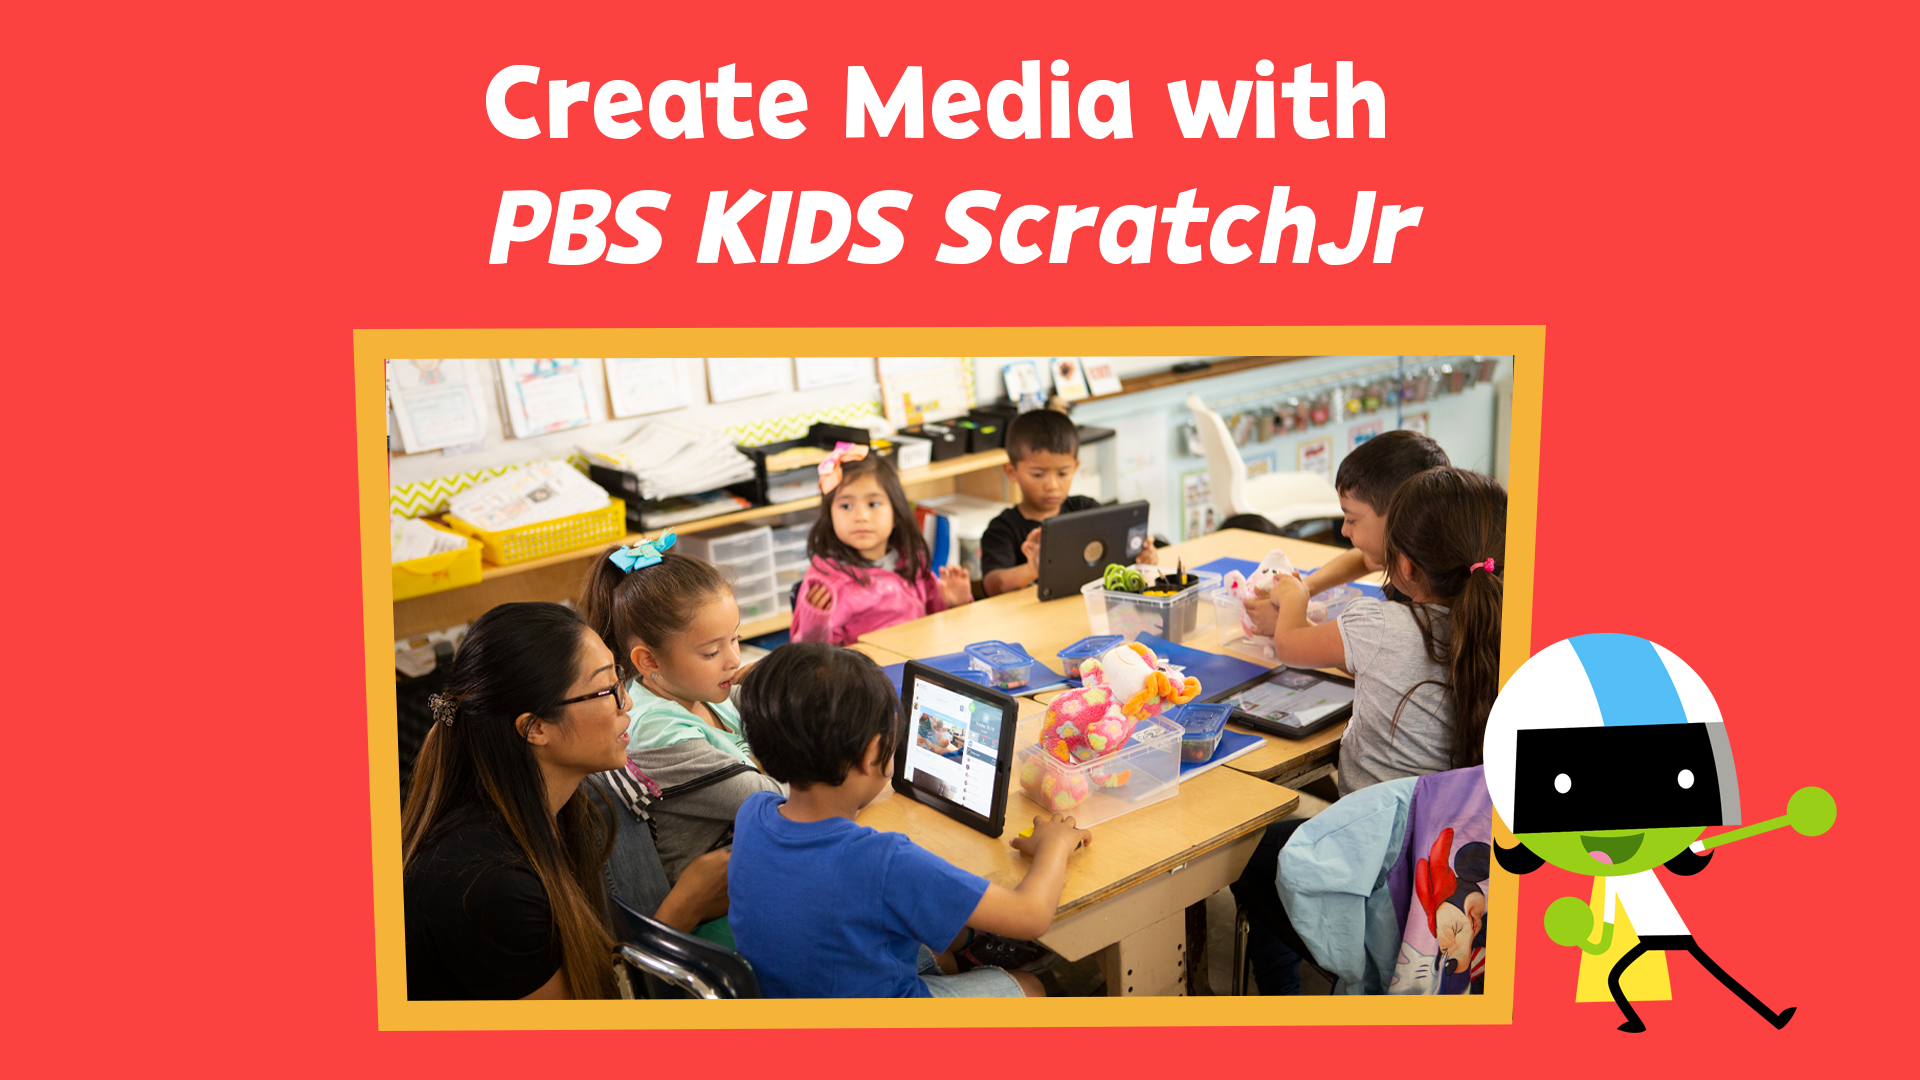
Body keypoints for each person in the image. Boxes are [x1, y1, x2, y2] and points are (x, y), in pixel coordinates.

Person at [1233, 466, 1505, 993]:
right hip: (1471, 860)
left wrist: (1293, 598)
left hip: (1381, 869)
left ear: (1402, 566)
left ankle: (1283, 990)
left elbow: (1289, 645)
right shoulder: (1511, 623)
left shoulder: (1378, 624)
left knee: (1247, 851)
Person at [402, 602, 729, 1000]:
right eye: (607, 690)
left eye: (620, 681)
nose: (626, 704)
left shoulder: (563, 808)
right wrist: (683, 910)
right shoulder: (486, 885)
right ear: (535, 728)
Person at [727, 643, 1090, 997]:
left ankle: (967, 949)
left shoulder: (753, 813)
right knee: (1031, 986)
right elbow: (1030, 916)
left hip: (791, 998)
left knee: (935, 946)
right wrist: (1054, 845)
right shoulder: (882, 860)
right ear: (874, 753)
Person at [579, 534, 784, 886]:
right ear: (649, 660)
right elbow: (777, 803)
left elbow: (770, 712)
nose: (734, 659)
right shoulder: (658, 730)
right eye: (711, 652)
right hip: (718, 906)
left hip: (757, 866)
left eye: (734, 639)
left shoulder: (694, 690)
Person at [790, 444, 973, 645]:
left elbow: (936, 622)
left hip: (918, 664)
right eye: (846, 506)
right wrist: (814, 627)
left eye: (873, 504)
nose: (860, 517)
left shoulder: (911, 561)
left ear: (896, 513)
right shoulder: (826, 581)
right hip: (867, 674)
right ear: (829, 516)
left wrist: (955, 605)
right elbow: (810, 659)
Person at [981, 407, 1155, 596]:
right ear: (1011, 472)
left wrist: (1143, 556)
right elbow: (992, 584)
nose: (1052, 485)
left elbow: (1117, 554)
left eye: (1063, 473)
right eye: (1038, 474)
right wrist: (1032, 569)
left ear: (1075, 467)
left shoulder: (1086, 510)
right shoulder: (1002, 529)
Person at [1300, 429, 1450, 601]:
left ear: (1399, 519)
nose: (1344, 531)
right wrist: (1304, 588)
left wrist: (1291, 605)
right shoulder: (1430, 555)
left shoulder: (1425, 605)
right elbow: (1363, 560)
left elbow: (1292, 630)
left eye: (1351, 519)